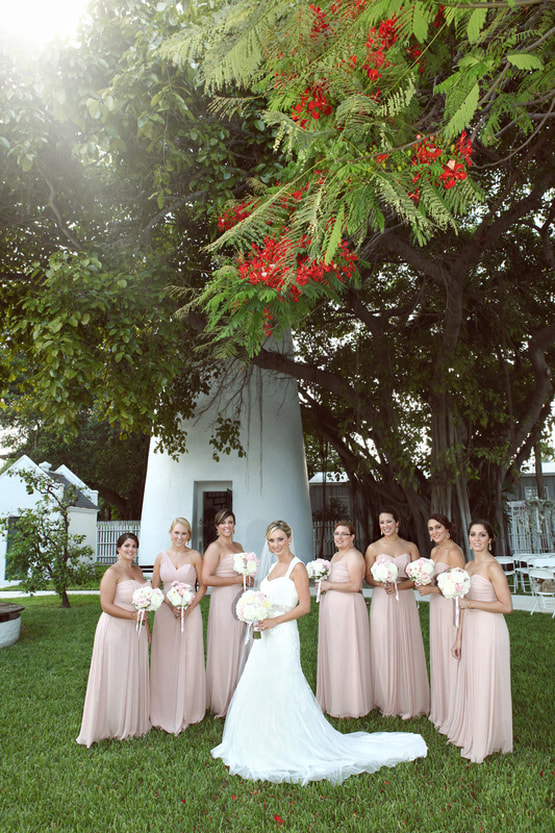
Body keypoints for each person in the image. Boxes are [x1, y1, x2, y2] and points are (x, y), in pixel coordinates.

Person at [211, 521, 427, 784]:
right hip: (265, 634)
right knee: (259, 682)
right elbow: (266, 599)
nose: (275, 545)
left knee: (284, 683)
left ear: (289, 539)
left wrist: (274, 621)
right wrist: (256, 612)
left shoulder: (297, 567)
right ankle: (262, 736)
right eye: (271, 541)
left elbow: (304, 607)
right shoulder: (270, 568)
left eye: (280, 539)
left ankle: (291, 740)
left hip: (283, 634)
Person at [445, 520, 513, 763]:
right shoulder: (468, 565)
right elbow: (462, 606)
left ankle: (488, 737)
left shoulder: (493, 567)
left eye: (482, 535)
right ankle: (473, 729)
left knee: (486, 679)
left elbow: (506, 606)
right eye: (473, 534)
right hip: (471, 628)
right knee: (473, 679)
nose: (476, 539)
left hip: (489, 629)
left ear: (490, 539)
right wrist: (458, 637)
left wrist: (472, 604)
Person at [77, 533, 150, 747]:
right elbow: (106, 605)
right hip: (116, 629)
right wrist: (132, 617)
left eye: (134, 546)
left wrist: (146, 627)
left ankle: (131, 721)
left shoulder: (137, 571)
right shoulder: (112, 573)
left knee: (133, 672)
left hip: (136, 630)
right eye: (126, 545)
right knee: (115, 675)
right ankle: (111, 723)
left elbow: (144, 604)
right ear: (118, 549)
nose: (130, 549)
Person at [365, 507, 430, 719]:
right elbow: (368, 577)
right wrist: (382, 584)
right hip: (382, 600)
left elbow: (418, 577)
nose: (385, 526)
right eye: (382, 522)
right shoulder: (373, 548)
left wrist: (398, 588)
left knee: (407, 643)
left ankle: (409, 698)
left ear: (398, 523)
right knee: (383, 644)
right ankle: (385, 698)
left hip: (405, 601)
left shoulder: (410, 547)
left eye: (389, 522)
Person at [150, 517, 206, 734]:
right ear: (170, 533)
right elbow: (156, 587)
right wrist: (170, 604)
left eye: (184, 534)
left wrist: (189, 607)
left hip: (190, 612)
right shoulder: (160, 557)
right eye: (176, 533)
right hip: (166, 612)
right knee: (166, 656)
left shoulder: (195, 556)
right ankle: (164, 704)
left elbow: (202, 586)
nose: (180, 537)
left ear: (189, 535)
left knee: (189, 655)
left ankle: (189, 706)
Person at [316, 520, 374, 718]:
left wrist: (329, 586)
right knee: (336, 651)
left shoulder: (355, 557)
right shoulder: (336, 555)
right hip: (333, 609)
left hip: (348, 609)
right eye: (336, 534)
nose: (339, 537)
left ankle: (351, 702)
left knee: (348, 652)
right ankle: (335, 697)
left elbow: (356, 585)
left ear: (352, 537)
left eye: (344, 534)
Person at [417, 514, 465, 732]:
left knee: (450, 655)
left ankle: (456, 709)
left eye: (437, 527)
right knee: (438, 653)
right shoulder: (435, 551)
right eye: (430, 529)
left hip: (450, 608)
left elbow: (459, 586)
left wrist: (431, 589)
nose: (434, 532)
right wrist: (423, 580)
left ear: (448, 528)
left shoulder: (455, 552)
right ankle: (442, 707)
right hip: (437, 607)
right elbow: (437, 579)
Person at [203, 509, 250, 717]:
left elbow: (244, 572)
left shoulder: (238, 547)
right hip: (223, 601)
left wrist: (248, 579)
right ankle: (222, 700)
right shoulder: (214, 548)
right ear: (216, 526)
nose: (227, 526)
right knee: (225, 646)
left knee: (241, 644)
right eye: (223, 523)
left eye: (230, 522)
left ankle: (239, 697)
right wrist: (235, 580)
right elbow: (206, 579)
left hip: (241, 598)